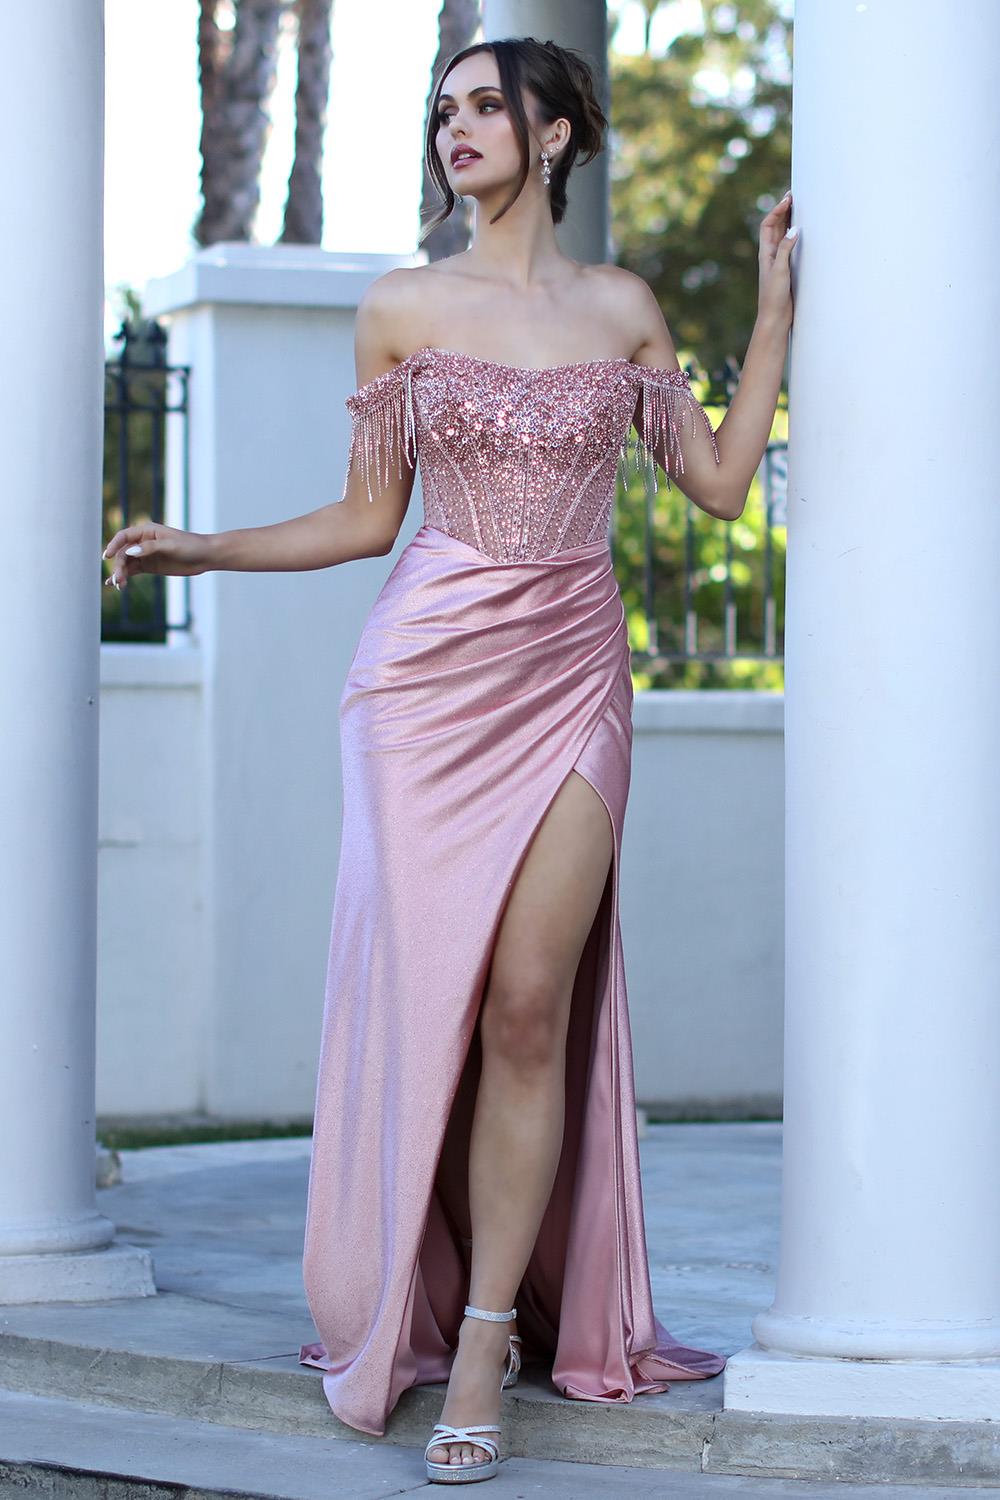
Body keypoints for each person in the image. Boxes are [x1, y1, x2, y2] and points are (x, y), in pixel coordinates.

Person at [102, 33, 796, 1489]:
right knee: (437, 1011)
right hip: (422, 688)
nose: (455, 128)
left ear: (555, 134)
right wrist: (207, 548)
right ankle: (405, 1291)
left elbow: (725, 490)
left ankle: (486, 1343)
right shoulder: (402, 307)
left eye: (487, 106)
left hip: (573, 674)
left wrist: (776, 310)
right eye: (444, 109)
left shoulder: (622, 309)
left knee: (532, 1007)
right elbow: (370, 521)